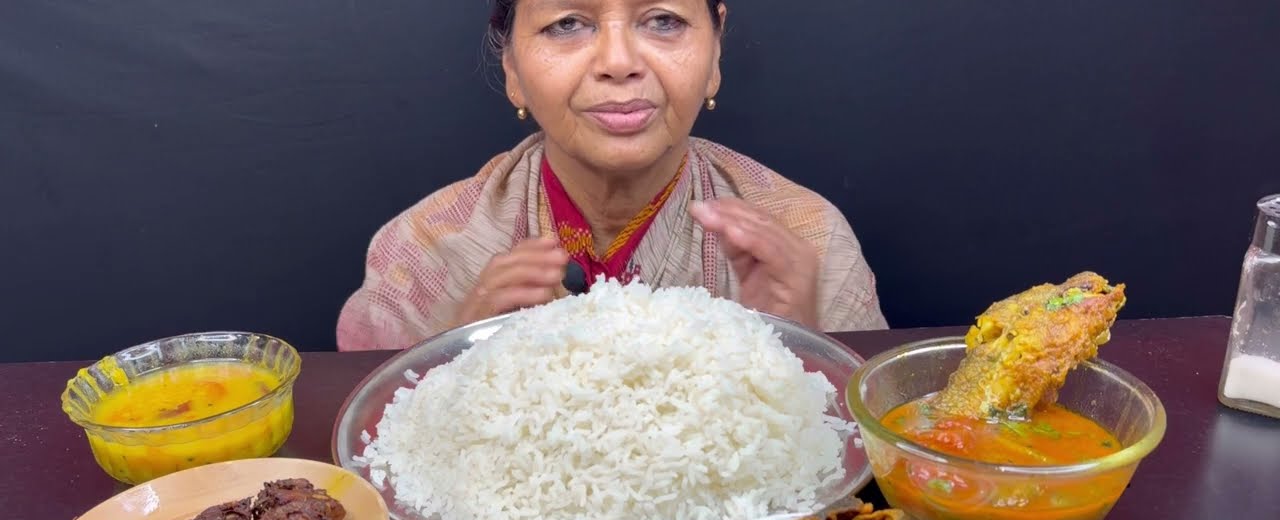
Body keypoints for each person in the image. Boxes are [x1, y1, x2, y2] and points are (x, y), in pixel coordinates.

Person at [337, 0, 887, 350]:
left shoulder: (811, 241)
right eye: (567, 24)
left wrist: (809, 355)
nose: (619, 61)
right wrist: (455, 357)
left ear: (715, 52)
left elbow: (870, 458)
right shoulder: (422, 254)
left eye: (664, 20)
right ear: (512, 71)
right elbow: (366, 466)